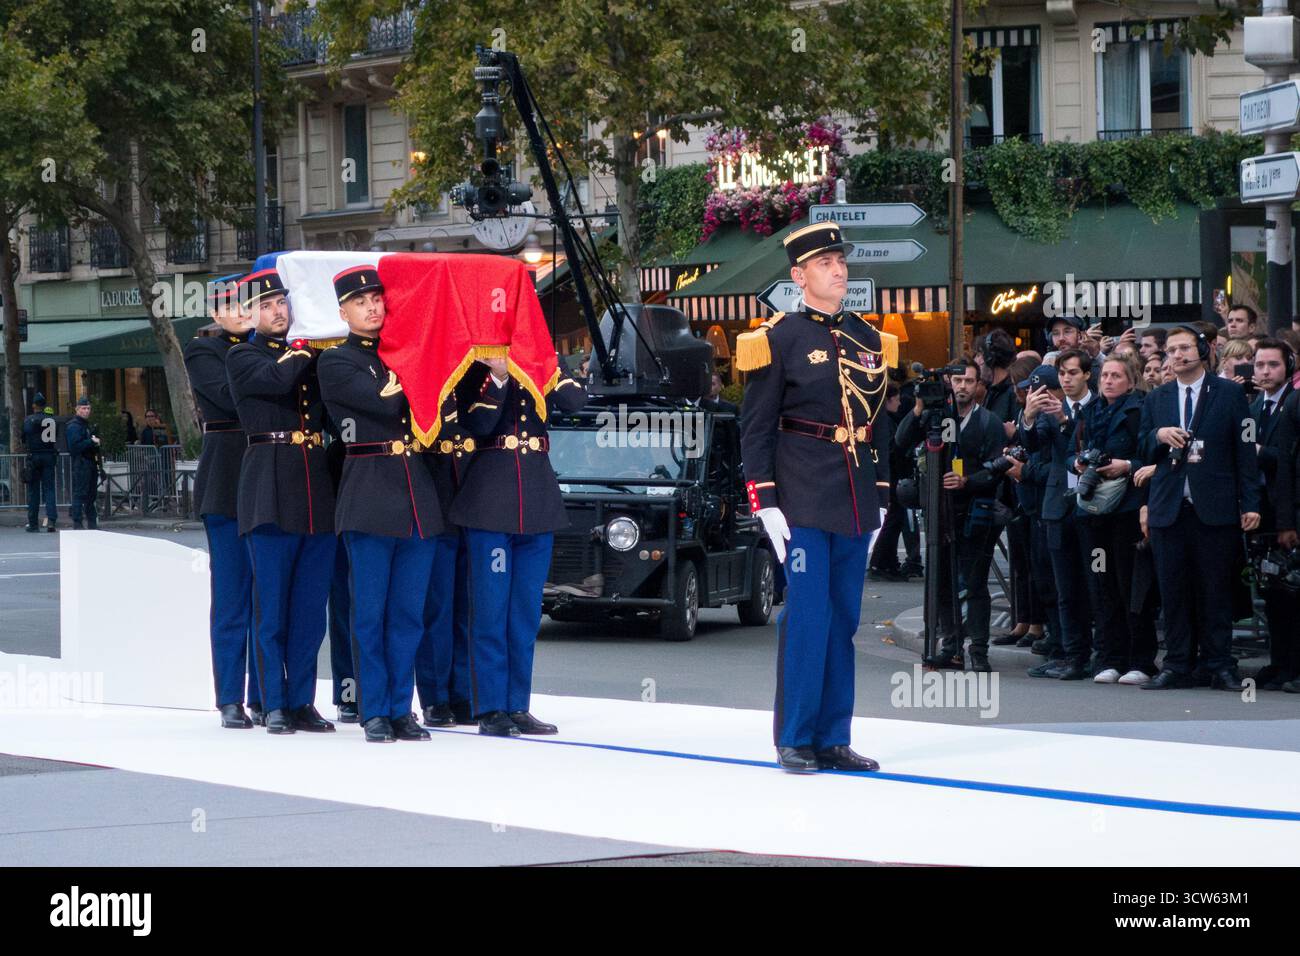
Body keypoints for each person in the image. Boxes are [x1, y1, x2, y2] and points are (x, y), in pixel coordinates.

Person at [737, 221, 894, 773]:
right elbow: (755, 428)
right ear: (799, 275)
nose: (839, 270)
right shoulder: (777, 338)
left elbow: (875, 424)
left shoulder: (869, 338)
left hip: (853, 496)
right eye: (827, 263)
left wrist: (882, 496)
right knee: (806, 616)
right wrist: (765, 500)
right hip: (800, 496)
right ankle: (795, 736)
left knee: (843, 619)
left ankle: (834, 736)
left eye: (841, 261)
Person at [317, 265, 445, 744]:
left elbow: (430, 408)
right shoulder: (336, 361)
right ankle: (373, 709)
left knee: (409, 613)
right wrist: (411, 383)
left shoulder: (401, 355)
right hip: (369, 493)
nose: (373, 307)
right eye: (361, 301)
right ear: (343, 311)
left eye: (377, 299)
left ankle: (400, 708)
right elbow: (388, 404)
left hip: (415, 495)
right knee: (369, 612)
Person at [451, 349, 588, 738]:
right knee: (491, 610)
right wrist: (498, 378)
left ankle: (517, 704)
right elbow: (478, 422)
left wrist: (543, 367)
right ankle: (491, 707)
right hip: (492, 500)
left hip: (537, 499)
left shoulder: (541, 362)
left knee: (525, 614)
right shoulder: (473, 367)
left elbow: (576, 400)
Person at [226, 268, 338, 734]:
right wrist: (308, 346)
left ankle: (301, 700)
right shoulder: (244, 356)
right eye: (267, 305)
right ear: (250, 314)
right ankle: (270, 701)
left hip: (314, 488)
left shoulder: (307, 358)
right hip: (269, 485)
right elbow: (274, 381)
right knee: (270, 607)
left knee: (310, 611)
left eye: (282, 304)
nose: (277, 312)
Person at [1138, 325, 1260, 690]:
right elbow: (1142, 450)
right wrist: (1158, 436)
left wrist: (1250, 502)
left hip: (1215, 506)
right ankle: (1177, 663)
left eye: (1185, 348)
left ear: (1203, 349)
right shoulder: (1156, 398)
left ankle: (1220, 664)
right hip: (1169, 507)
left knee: (1215, 590)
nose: (1177, 355)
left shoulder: (1229, 394)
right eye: (1171, 350)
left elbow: (1245, 451)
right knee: (1173, 591)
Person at [184, 274, 264, 729]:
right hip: (227, 480)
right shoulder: (204, 350)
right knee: (233, 595)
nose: (242, 311)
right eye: (232, 305)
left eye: (247, 304)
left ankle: (265, 695)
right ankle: (230, 695)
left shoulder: (264, 351)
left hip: (268, 478)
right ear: (215, 313)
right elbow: (230, 399)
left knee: (266, 597)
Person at [895, 359, 1005, 673]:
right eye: (957, 381)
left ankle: (980, 651)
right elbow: (901, 442)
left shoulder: (989, 422)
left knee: (974, 584)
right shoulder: (938, 416)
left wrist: (968, 481)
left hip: (975, 513)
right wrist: (917, 410)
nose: (962, 387)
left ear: (979, 385)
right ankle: (952, 648)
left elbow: (999, 468)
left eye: (969, 381)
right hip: (940, 511)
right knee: (941, 583)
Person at [1019, 350, 1102, 680]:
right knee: (1063, 585)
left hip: (1095, 503)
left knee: (1097, 582)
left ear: (1086, 375)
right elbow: (1032, 443)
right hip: (1057, 505)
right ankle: (1071, 654)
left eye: (1071, 373)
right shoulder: (1050, 409)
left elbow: (1094, 445)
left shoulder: (1098, 405)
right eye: (1062, 373)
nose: (1066, 379)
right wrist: (1028, 415)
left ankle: (1104, 653)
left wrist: (1067, 422)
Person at [1074, 357, 1156, 684]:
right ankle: (1108, 658)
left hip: (1127, 509)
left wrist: (1126, 464)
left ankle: (1140, 660)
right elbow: (1071, 451)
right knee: (1102, 584)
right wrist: (1079, 464)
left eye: (1116, 375)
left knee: (1130, 586)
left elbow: (1149, 455)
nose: (1108, 380)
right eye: (1105, 375)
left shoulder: (1139, 410)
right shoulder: (1089, 412)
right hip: (1094, 513)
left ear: (1130, 381)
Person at [416, 386, 477, 728]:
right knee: (436, 606)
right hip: (433, 491)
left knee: (467, 606)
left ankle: (464, 693)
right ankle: (436, 696)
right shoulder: (425, 367)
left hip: (472, 492)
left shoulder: (474, 373)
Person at [1248, 338, 1297, 690]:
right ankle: (1279, 662)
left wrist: (1261, 451)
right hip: (1261, 511)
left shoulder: (1293, 404)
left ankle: (1294, 666)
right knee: (1274, 592)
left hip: (1288, 508)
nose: (1265, 371)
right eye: (1260, 365)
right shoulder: (1253, 407)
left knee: (1295, 592)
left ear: (1288, 366)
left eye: (1273, 365)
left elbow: (1291, 460)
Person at [22, 393, 58, 533]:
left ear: (34, 405)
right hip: (49, 455)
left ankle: (33, 523)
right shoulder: (52, 420)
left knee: (33, 490)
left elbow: (24, 437)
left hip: (35, 456)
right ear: (44, 405)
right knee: (49, 489)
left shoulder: (29, 420)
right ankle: (51, 521)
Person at [66, 396, 100, 530]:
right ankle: (78, 523)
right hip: (81, 463)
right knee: (80, 494)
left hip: (89, 462)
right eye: (84, 408)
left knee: (91, 495)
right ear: (77, 409)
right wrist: (91, 442)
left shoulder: (85, 425)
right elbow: (74, 448)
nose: (86, 411)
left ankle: (92, 524)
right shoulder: (73, 426)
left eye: (88, 408)